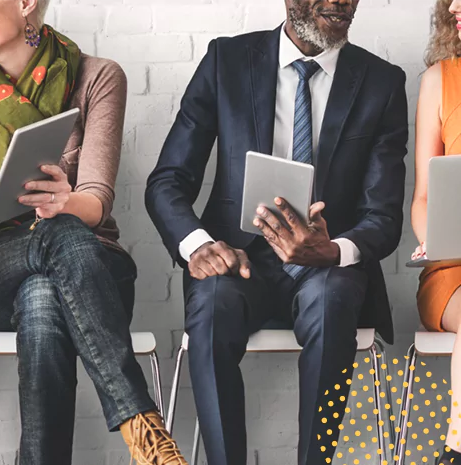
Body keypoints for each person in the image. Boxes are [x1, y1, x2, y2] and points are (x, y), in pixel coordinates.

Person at [144, 0, 408, 463]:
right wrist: (199, 245)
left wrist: (332, 250)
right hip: (237, 259)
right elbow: (167, 180)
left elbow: (383, 216)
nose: (342, 1)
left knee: (332, 301)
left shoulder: (382, 82)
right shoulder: (226, 61)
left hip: (325, 271)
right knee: (210, 307)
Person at [0, 1, 186, 464]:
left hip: (91, 266)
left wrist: (62, 201)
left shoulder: (98, 77)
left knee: (44, 292)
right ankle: (144, 428)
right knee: (53, 243)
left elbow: (96, 201)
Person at [412, 0, 461, 462]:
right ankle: (456, 448)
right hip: (454, 270)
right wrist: (436, 236)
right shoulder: (439, 79)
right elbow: (424, 196)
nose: (454, 5)